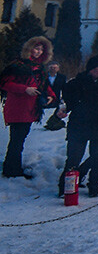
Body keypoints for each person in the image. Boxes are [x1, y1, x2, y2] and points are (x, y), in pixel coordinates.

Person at [57, 56, 98, 197]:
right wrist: (61, 111)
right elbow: (66, 103)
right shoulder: (76, 83)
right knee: (73, 159)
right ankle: (65, 188)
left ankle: (95, 187)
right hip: (79, 126)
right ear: (92, 69)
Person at [1, 36, 52, 178]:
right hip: (17, 108)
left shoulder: (40, 69)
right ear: (29, 49)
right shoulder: (17, 65)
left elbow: (45, 85)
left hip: (30, 110)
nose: (38, 52)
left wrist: (50, 95)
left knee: (19, 140)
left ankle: (11, 167)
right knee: (16, 140)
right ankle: (11, 170)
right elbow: (5, 83)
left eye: (41, 50)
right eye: (36, 48)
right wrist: (25, 89)